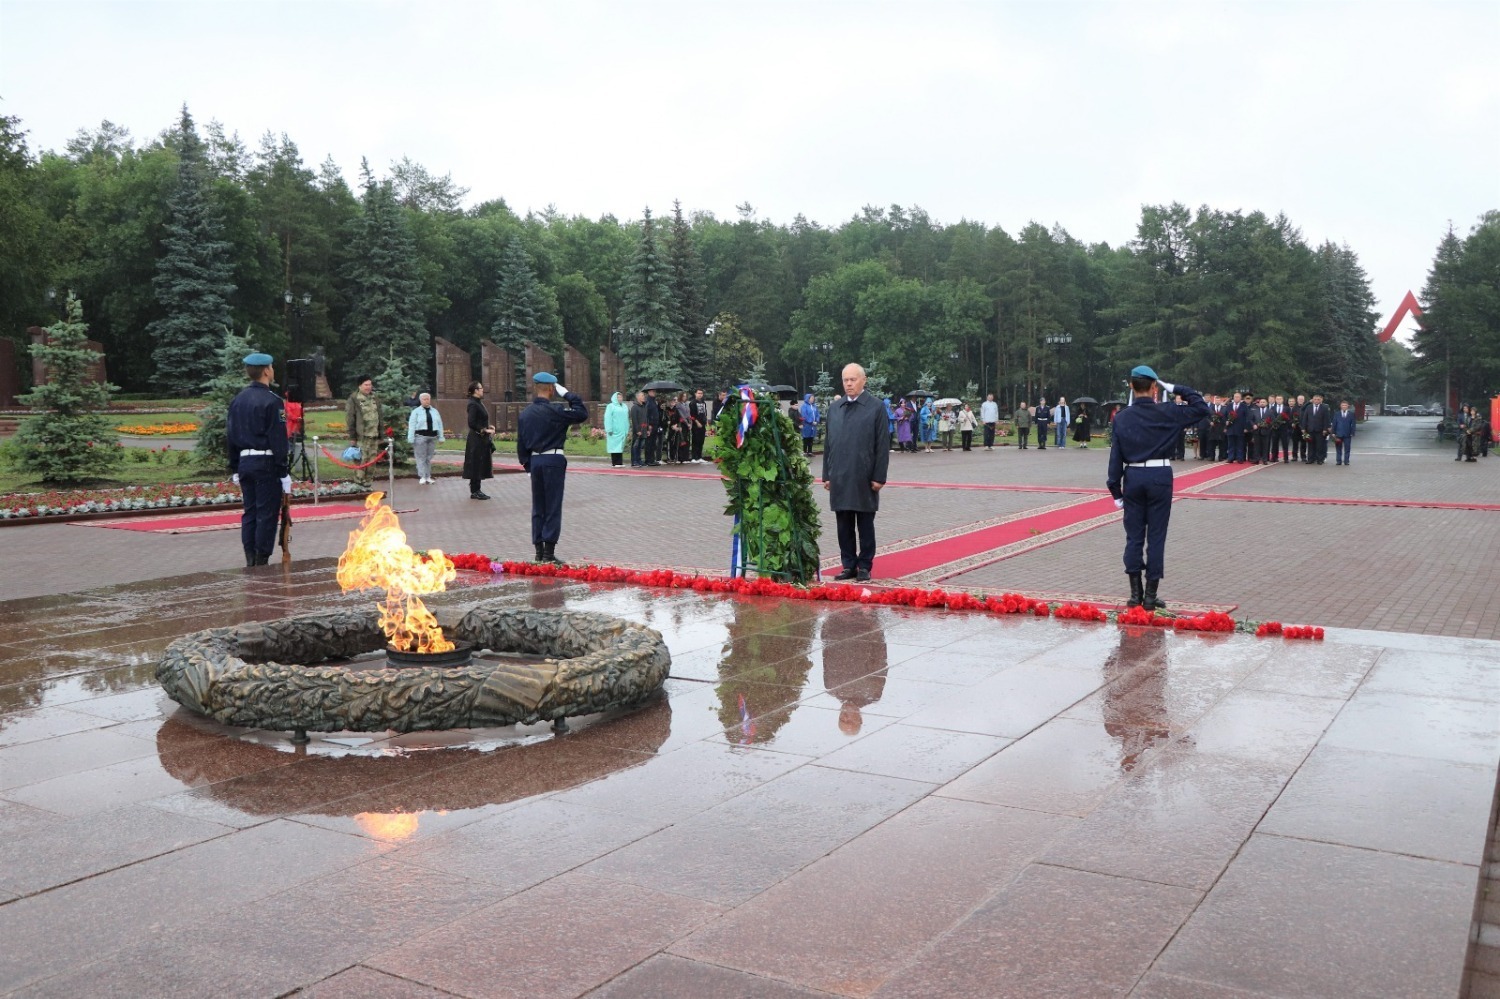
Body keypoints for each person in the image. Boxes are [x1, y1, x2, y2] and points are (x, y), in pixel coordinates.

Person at [1106, 365, 1209, 612]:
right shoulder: (1167, 411)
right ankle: (1150, 597)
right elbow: (1202, 407)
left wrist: (1115, 491)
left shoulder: (1121, 417)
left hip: (1132, 476)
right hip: (1159, 476)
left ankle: (1134, 596)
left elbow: (1115, 457)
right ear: (1154, 388)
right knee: (1156, 537)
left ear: (1131, 386)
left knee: (1133, 537)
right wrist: (1174, 387)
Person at [822, 363, 891, 582]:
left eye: (853, 379)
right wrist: (827, 474)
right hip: (840, 477)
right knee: (843, 525)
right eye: (845, 380)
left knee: (864, 524)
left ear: (864, 380)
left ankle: (864, 566)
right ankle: (848, 564)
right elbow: (828, 445)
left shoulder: (876, 407)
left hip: (864, 476)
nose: (849, 384)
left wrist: (879, 476)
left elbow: (882, 444)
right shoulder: (835, 409)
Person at [226, 351, 291, 567]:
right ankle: (261, 561)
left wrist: (235, 466)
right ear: (266, 371)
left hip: (245, 463)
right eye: (271, 367)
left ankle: (250, 558)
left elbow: (231, 436)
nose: (273, 370)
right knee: (266, 513)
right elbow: (278, 438)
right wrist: (283, 472)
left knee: (250, 512)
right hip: (266, 464)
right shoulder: (273, 401)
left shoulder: (237, 400)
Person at [517, 371, 589, 563]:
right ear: (551, 388)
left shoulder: (525, 413)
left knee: (538, 506)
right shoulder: (556, 411)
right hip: (553, 461)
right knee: (553, 506)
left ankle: (538, 551)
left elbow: (521, 443)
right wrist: (567, 395)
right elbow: (582, 413)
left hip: (535, 462)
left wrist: (527, 465)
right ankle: (549, 553)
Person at [344, 375, 381, 487]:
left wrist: (381, 435)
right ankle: (359, 482)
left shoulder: (375, 398)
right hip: (362, 436)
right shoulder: (354, 399)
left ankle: (368, 481)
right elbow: (350, 419)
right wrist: (352, 437)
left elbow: (380, 416)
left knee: (372, 460)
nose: (368, 387)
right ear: (359, 386)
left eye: (370, 384)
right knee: (361, 460)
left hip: (374, 435)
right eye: (366, 385)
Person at [461, 381, 495, 499]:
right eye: (480, 388)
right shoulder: (473, 404)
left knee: (479, 462)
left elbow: (480, 420)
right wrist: (484, 430)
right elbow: (472, 423)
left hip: (481, 438)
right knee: (476, 463)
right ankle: (475, 490)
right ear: (475, 390)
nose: (482, 390)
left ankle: (476, 489)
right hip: (476, 439)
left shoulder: (478, 402)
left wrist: (488, 427)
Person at [406, 392, 445, 485]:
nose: (427, 401)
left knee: (428, 458)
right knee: (421, 457)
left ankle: (428, 476)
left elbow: (439, 424)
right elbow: (412, 425)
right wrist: (410, 438)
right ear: (420, 400)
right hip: (420, 437)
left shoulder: (434, 411)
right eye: (424, 399)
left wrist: (441, 437)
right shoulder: (416, 412)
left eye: (428, 399)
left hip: (432, 437)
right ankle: (422, 476)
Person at [1303, 394, 1331, 465]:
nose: (1316, 401)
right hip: (1310, 429)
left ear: (1320, 400)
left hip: (1320, 430)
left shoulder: (1324, 408)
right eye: (1315, 399)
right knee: (1310, 445)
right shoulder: (1308, 407)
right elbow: (1305, 418)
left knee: (1319, 446)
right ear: (1312, 400)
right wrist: (1303, 428)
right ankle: (1310, 459)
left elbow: (1326, 420)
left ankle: (1319, 460)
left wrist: (1325, 429)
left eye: (1318, 399)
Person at [604, 391, 630, 467]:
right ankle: (615, 462)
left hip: (622, 430)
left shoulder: (624, 406)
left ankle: (620, 462)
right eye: (618, 397)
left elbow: (626, 418)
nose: (620, 398)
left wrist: (627, 428)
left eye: (621, 397)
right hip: (614, 430)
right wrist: (609, 429)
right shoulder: (610, 406)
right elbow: (607, 418)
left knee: (620, 446)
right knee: (614, 446)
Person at [1331, 399, 1356, 465]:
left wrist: (1352, 432)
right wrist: (1333, 432)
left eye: (1345, 405)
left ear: (1348, 406)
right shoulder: (1337, 414)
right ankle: (1338, 461)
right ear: (1340, 406)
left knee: (1347, 448)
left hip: (1347, 434)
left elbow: (1353, 424)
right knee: (1338, 448)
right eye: (1343, 405)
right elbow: (1334, 423)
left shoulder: (1351, 414)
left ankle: (1346, 461)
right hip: (1338, 434)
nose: (1344, 406)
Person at [1224, 391, 1247, 463]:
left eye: (1238, 397)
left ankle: (1239, 458)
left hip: (1240, 428)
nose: (1236, 398)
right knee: (1231, 444)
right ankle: (1230, 458)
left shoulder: (1244, 406)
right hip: (1230, 428)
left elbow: (1247, 417)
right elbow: (1224, 416)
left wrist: (1246, 427)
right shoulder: (1229, 406)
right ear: (1233, 398)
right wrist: (1226, 422)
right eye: (1235, 397)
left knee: (1240, 444)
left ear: (1240, 398)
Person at [689, 388, 710, 462]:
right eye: (698, 393)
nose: (700, 395)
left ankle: (699, 456)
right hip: (696, 425)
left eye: (701, 393)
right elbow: (692, 415)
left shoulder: (703, 403)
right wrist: (697, 422)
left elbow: (705, 413)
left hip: (703, 424)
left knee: (701, 440)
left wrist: (706, 421)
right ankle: (694, 457)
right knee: (696, 440)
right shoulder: (692, 403)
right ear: (695, 394)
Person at [643, 388, 662, 466]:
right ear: (649, 392)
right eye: (653, 391)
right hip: (650, 425)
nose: (654, 393)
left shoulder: (654, 401)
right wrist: (648, 425)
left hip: (655, 424)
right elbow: (646, 414)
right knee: (649, 443)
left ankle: (652, 459)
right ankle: (648, 460)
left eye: (655, 391)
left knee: (653, 443)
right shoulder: (648, 401)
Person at [629, 391, 648, 467]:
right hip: (638, 431)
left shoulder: (644, 407)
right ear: (638, 397)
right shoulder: (634, 407)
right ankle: (634, 461)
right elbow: (634, 420)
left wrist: (647, 428)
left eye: (643, 396)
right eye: (642, 396)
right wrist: (637, 430)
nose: (644, 397)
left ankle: (639, 460)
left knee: (640, 446)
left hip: (643, 430)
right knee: (635, 446)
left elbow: (645, 418)